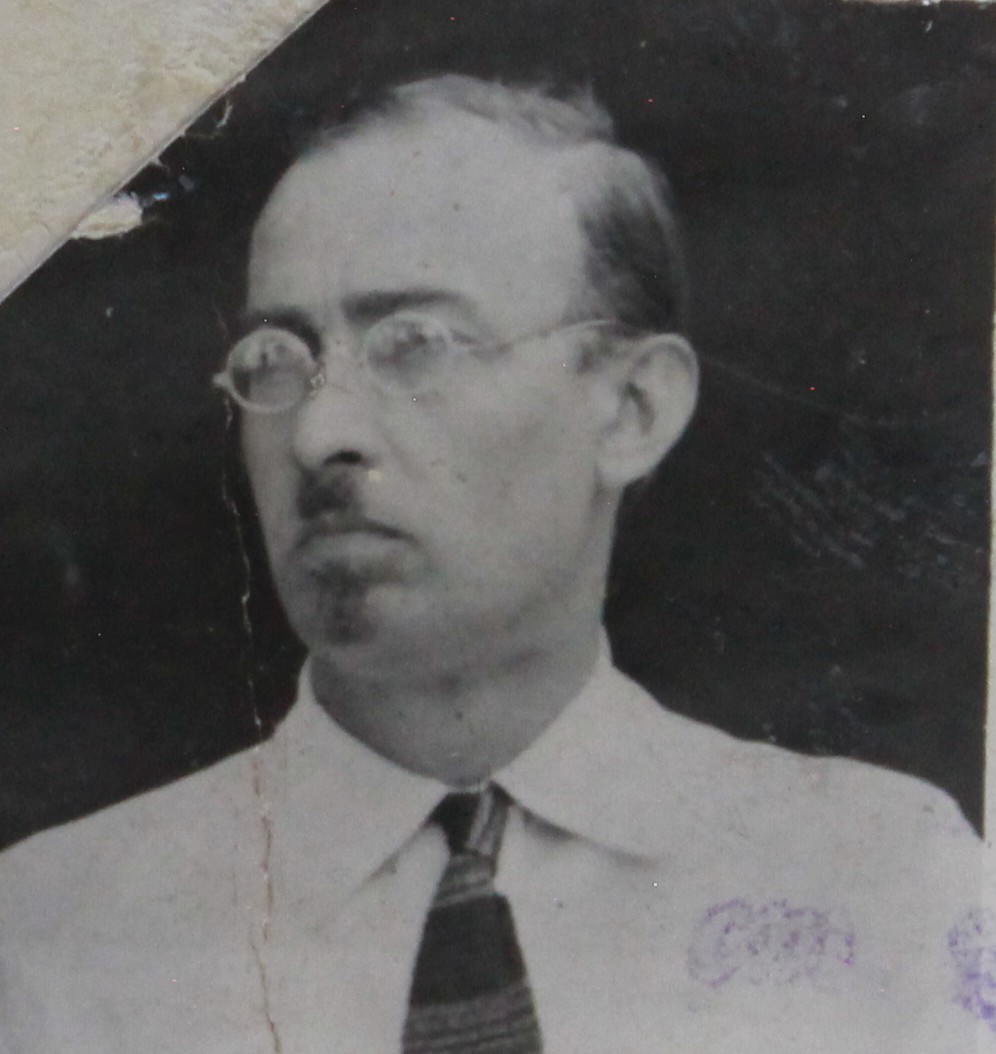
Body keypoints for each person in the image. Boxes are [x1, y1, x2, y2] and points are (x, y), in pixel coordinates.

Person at [0, 74, 984, 1054]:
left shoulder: (885, 880)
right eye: (276, 359)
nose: (319, 433)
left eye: (416, 344)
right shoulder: (53, 937)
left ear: (633, 409)